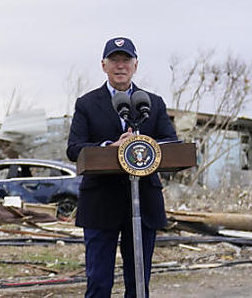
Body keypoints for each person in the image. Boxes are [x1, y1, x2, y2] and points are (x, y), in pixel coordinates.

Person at [66, 37, 178, 298]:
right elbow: (74, 149)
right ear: (103, 65)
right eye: (114, 60)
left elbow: (171, 143)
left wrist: (142, 144)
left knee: (139, 283)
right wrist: (111, 146)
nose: (120, 66)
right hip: (101, 203)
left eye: (126, 60)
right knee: (99, 282)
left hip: (143, 203)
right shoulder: (87, 104)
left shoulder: (152, 102)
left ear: (135, 65)